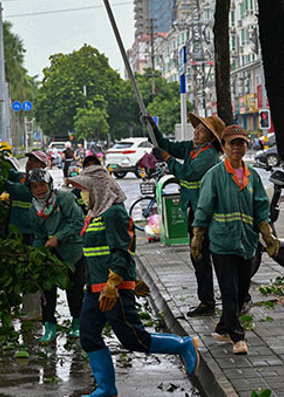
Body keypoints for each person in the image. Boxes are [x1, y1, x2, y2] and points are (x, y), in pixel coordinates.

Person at [67, 165, 199, 397]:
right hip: (95, 289)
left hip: (112, 289)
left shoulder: (114, 213)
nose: (82, 194)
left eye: (85, 190)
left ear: (98, 190)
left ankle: (184, 345)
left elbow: (122, 249)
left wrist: (116, 283)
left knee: (134, 339)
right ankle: (106, 388)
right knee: (88, 336)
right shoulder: (94, 215)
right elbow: (94, 255)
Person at [192, 125, 278, 355]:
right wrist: (198, 236)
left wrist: (266, 232)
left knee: (241, 293)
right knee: (229, 291)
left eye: (241, 143)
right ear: (224, 146)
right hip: (221, 242)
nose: (236, 148)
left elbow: (261, 206)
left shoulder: (252, 176)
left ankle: (223, 327)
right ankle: (238, 337)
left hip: (246, 243)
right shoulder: (215, 175)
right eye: (232, 144)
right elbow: (204, 207)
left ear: (246, 146)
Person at [143, 113, 225, 317]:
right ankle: (206, 300)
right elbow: (168, 146)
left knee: (202, 256)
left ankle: (209, 302)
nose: (197, 132)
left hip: (206, 213)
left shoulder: (208, 155)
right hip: (194, 209)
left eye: (202, 131)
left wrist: (166, 159)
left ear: (212, 138)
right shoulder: (193, 148)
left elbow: (187, 172)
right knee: (198, 257)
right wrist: (153, 128)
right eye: (197, 129)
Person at [26, 169, 85, 342]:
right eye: (35, 187)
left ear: (50, 185)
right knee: (47, 292)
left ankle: (77, 324)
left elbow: (78, 222)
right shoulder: (33, 210)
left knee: (75, 291)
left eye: (42, 185)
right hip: (50, 256)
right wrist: (36, 254)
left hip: (73, 252)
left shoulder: (64, 199)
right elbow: (38, 235)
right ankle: (49, 327)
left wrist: (58, 238)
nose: (39, 190)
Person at [4, 150, 51, 320]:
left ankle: (35, 311)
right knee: (24, 271)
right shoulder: (25, 177)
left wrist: (1, 180)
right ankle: (29, 308)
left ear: (42, 166)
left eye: (34, 160)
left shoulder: (39, 182)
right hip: (20, 232)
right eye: (29, 159)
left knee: (31, 272)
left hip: (32, 233)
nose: (29, 163)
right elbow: (12, 174)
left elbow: (14, 189)